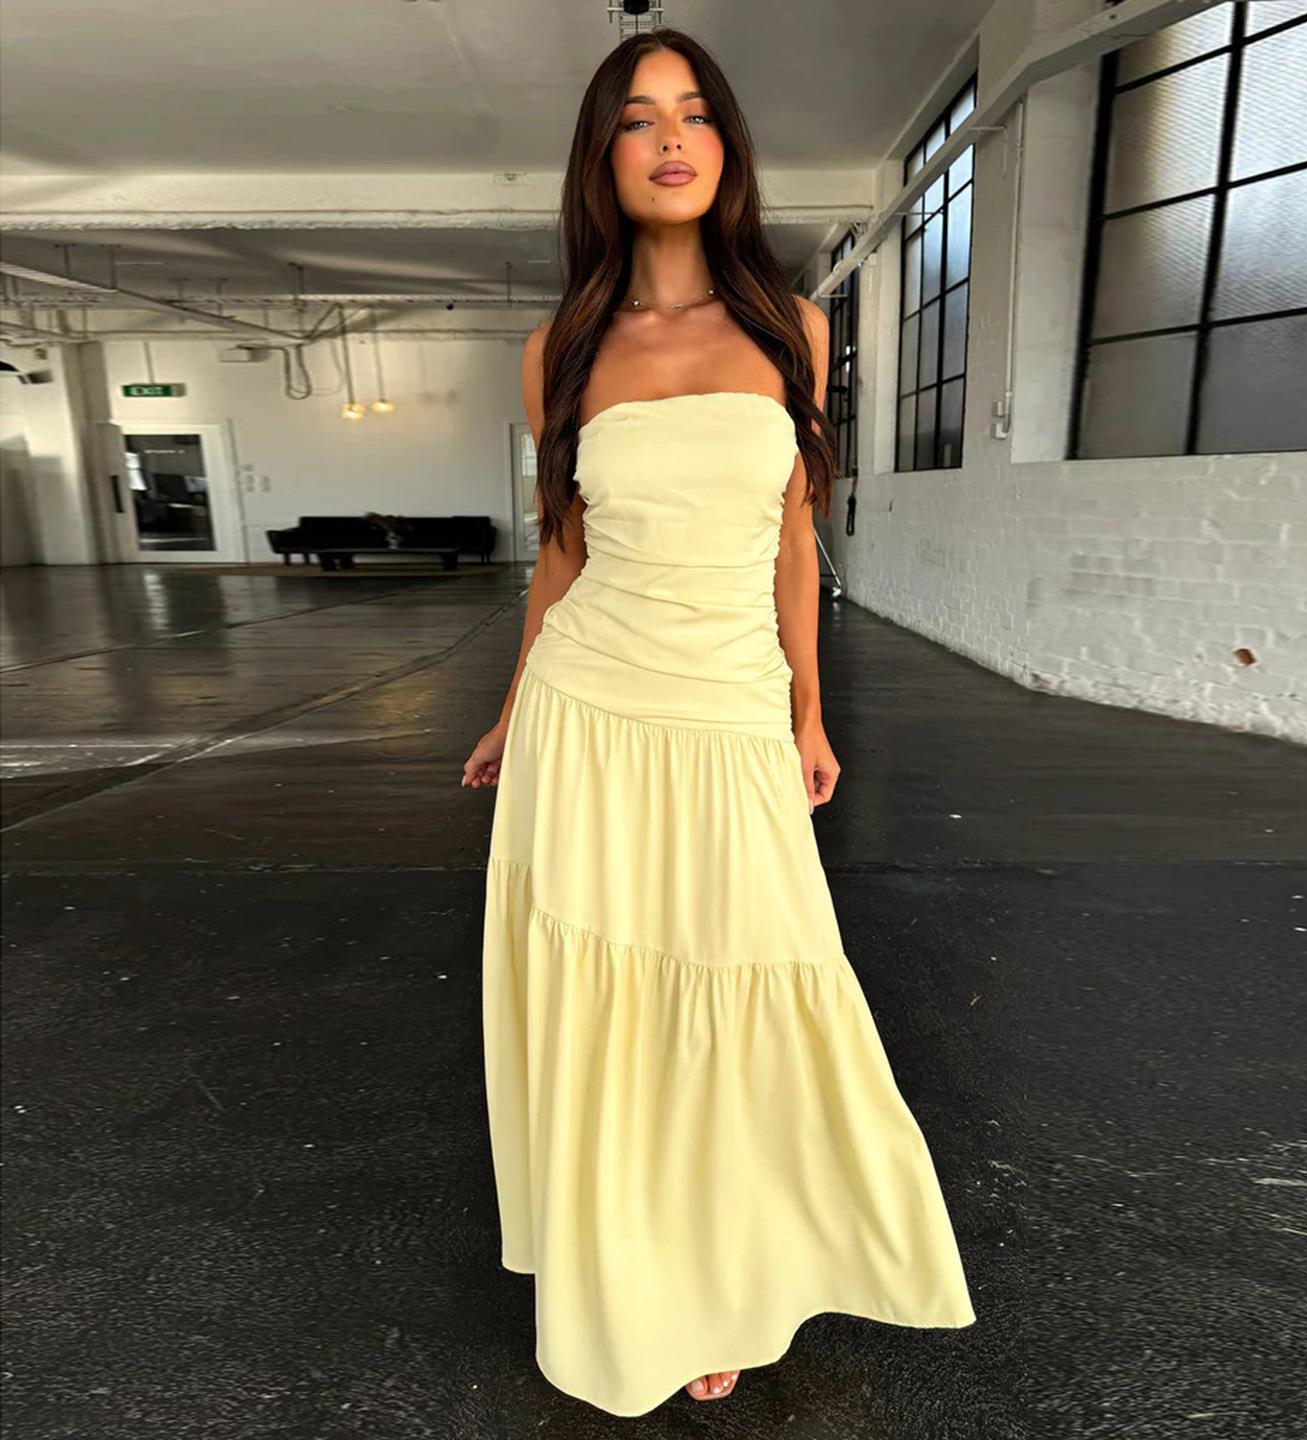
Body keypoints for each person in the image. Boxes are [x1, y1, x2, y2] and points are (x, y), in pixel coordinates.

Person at [461, 25, 976, 1418]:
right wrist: (512, 709)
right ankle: (643, 1280)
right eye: (639, 118)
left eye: (693, 113)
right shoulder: (561, 348)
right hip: (588, 707)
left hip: (732, 703)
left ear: (727, 148)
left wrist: (809, 709)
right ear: (605, 157)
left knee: (751, 975)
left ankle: (737, 1260)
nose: (671, 138)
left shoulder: (792, 327)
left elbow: (794, 538)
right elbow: (559, 553)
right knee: (610, 1003)